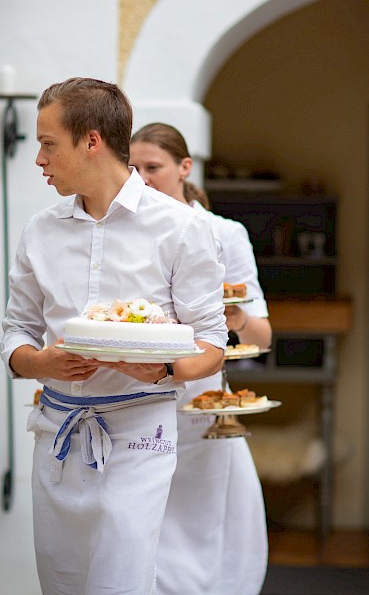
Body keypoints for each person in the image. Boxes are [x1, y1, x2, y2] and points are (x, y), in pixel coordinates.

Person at [0, 78, 228, 594]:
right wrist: (41, 363)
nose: (39, 158)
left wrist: (164, 369)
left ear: (92, 140)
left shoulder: (182, 227)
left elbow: (213, 345)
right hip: (56, 432)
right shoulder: (40, 230)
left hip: (138, 433)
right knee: (63, 583)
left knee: (120, 583)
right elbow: (16, 332)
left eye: (48, 142)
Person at [129, 122, 271, 595]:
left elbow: (262, 334)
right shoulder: (126, 232)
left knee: (206, 533)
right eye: (133, 168)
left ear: (185, 168)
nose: (142, 178)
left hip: (203, 402)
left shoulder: (223, 234)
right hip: (135, 400)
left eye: (153, 167)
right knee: (142, 535)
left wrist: (228, 311)